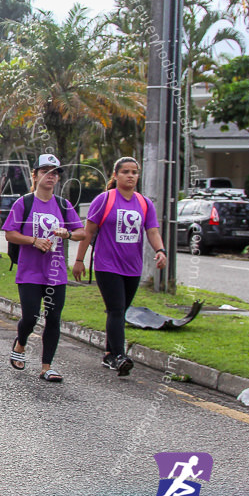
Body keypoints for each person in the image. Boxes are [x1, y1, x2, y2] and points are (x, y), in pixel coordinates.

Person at [73, 156, 168, 376]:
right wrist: (79, 261)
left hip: (132, 266)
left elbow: (152, 231)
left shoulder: (144, 203)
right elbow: (88, 233)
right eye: (125, 172)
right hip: (107, 265)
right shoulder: (104, 200)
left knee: (120, 310)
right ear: (116, 175)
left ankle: (108, 354)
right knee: (116, 309)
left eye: (134, 172)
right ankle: (119, 356)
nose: (131, 176)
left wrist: (160, 251)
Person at [2, 154, 86, 382]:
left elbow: (81, 232)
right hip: (30, 271)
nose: (51, 176)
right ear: (36, 175)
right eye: (46, 171)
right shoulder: (24, 203)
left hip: (55, 274)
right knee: (30, 317)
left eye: (55, 172)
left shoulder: (63, 205)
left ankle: (46, 366)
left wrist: (67, 233)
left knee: (53, 318)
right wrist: (33, 240)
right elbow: (10, 233)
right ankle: (20, 343)